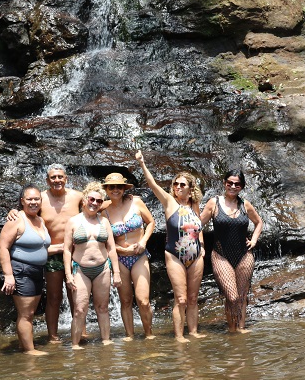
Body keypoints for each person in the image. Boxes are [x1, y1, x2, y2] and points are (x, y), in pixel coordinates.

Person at [135, 150, 206, 342]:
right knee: (181, 299)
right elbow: (152, 185)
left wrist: (202, 247)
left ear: (190, 189)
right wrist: (142, 163)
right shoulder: (170, 202)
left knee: (192, 299)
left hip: (196, 255)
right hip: (175, 255)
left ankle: (193, 332)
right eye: (175, 184)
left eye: (182, 184)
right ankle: (179, 337)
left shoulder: (195, 205)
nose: (177, 187)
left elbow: (197, 228)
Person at [8, 164, 84, 343]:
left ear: (66, 178)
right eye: (53, 177)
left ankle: (81, 332)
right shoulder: (40, 198)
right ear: (47, 180)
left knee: (77, 296)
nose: (57, 180)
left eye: (60, 177)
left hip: (75, 254)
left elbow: (98, 203)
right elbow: (26, 211)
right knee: (54, 296)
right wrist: (13, 211)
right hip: (52, 255)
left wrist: (126, 198)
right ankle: (53, 336)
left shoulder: (77, 196)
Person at [200, 169, 263, 333]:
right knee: (232, 297)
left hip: (244, 255)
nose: (233, 186)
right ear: (224, 183)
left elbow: (259, 222)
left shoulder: (245, 204)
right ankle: (232, 330)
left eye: (237, 184)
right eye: (230, 183)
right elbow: (198, 224)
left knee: (241, 298)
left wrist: (254, 240)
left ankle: (239, 331)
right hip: (221, 255)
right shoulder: (214, 203)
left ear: (241, 186)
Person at [63, 182, 122, 349]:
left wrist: (116, 273)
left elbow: (111, 248)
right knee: (80, 310)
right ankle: (75, 345)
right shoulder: (73, 222)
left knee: (103, 307)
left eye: (98, 201)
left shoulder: (104, 222)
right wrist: (68, 274)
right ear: (84, 200)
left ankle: (106, 341)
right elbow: (67, 250)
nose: (94, 203)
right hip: (80, 269)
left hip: (102, 268)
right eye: (92, 199)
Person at [102, 172, 156, 340]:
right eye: (112, 187)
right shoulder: (104, 211)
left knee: (143, 300)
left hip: (139, 255)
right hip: (120, 259)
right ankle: (129, 336)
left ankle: (149, 334)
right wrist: (120, 250)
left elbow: (151, 222)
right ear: (107, 190)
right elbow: (105, 241)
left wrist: (144, 241)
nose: (115, 190)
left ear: (124, 188)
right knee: (125, 301)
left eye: (119, 187)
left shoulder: (136, 202)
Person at [0, 185, 51, 355]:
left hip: (37, 271)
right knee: (26, 313)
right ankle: (30, 351)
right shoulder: (16, 220)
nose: (33, 202)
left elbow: (42, 247)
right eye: (29, 199)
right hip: (21, 271)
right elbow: (3, 247)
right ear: (22, 201)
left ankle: (24, 347)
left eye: (37, 199)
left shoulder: (40, 220)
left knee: (30, 313)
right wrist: (8, 276)